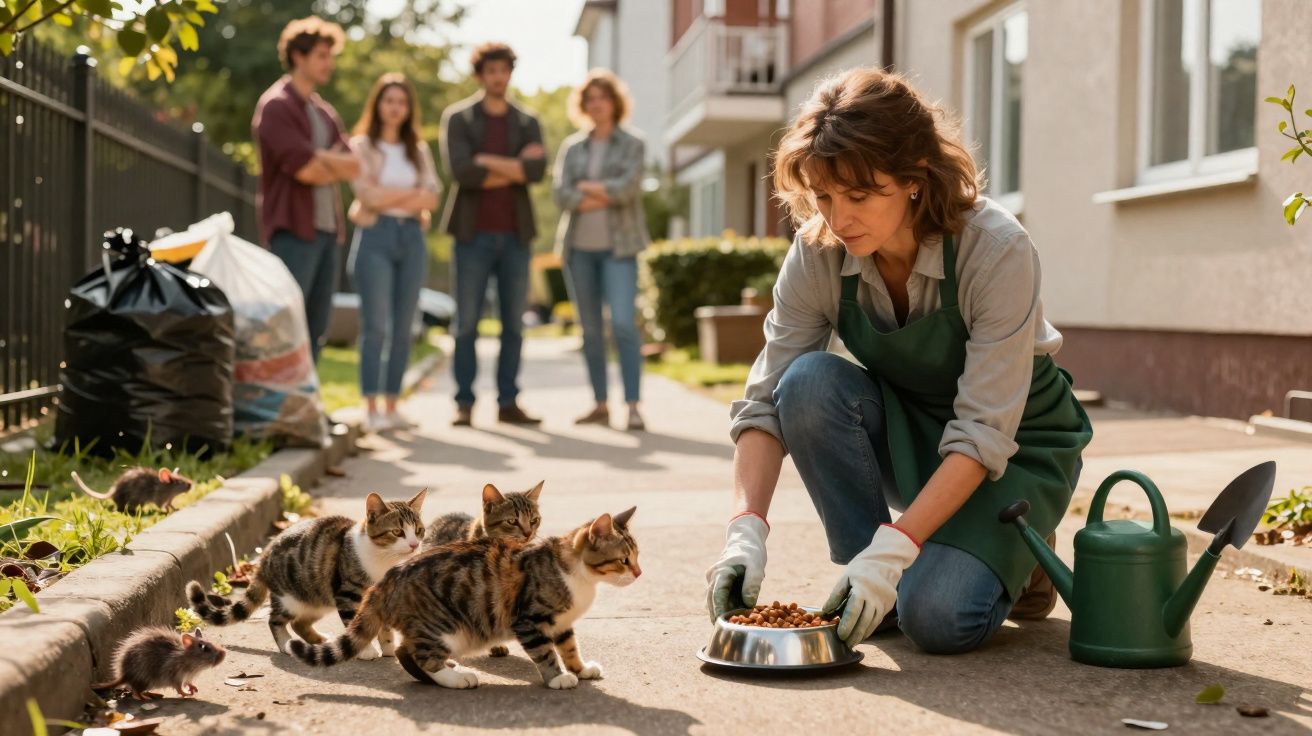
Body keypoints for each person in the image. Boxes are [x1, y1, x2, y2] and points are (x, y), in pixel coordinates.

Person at [705, 68, 1093, 655]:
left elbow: (984, 430)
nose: (837, 219)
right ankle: (869, 584)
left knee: (938, 619)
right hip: (914, 430)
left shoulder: (996, 249)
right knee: (806, 383)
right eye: (823, 196)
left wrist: (898, 551)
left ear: (914, 178)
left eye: (860, 196)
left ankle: (1022, 555)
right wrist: (745, 531)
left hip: (1015, 447)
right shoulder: (819, 253)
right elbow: (764, 403)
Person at [440, 42, 547, 427]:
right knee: (466, 323)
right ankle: (464, 403)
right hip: (472, 235)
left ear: (510, 73)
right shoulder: (459, 119)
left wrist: (487, 161)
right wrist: (515, 165)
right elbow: (462, 173)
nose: (498, 77)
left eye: (504, 70)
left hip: (516, 236)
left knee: (513, 326)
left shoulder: (527, 121)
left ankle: (508, 402)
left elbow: (536, 174)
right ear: (480, 75)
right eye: (491, 71)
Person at [253, 16, 359, 363]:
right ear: (299, 56)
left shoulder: (325, 113)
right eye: (322, 55)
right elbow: (307, 172)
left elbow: (354, 164)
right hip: (294, 231)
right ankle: (280, 411)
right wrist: (326, 163)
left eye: (330, 55)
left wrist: (321, 159)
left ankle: (306, 413)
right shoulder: (276, 105)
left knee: (316, 331)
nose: (329, 63)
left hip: (329, 232)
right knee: (288, 327)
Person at [552, 69, 650, 431]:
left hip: (619, 249)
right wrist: (603, 193)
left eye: (602, 97)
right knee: (590, 332)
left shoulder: (633, 143)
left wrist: (587, 190)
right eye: (590, 98)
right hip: (578, 251)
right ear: (584, 105)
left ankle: (634, 405)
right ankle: (600, 403)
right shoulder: (572, 147)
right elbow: (561, 195)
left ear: (614, 102)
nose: (596, 104)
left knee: (623, 325)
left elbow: (628, 190)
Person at [347, 74, 442, 433]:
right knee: (376, 326)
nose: (395, 107)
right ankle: (371, 407)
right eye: (389, 100)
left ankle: (392, 404)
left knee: (405, 326)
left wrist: (389, 194)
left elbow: (432, 196)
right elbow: (366, 196)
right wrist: (410, 196)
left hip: (412, 238)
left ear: (408, 108)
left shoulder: (419, 150)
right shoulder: (361, 146)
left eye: (402, 101)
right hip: (376, 235)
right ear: (378, 104)